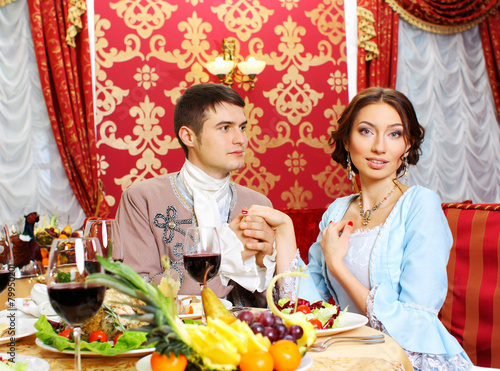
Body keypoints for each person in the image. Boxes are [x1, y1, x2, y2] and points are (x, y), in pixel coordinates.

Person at [246, 87, 471, 370]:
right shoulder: (337, 211)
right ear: (348, 141)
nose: (379, 146)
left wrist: (337, 264)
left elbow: (415, 321)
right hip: (349, 354)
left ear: (408, 145)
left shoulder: (421, 205)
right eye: (366, 131)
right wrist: (284, 231)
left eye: (394, 134)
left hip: (410, 358)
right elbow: (310, 306)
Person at [115, 83, 277, 308]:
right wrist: (229, 253)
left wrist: (264, 262)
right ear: (188, 136)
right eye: (225, 128)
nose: (240, 139)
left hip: (248, 339)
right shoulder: (142, 199)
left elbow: (277, 307)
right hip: (173, 340)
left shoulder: (259, 204)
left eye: (242, 127)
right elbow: (135, 294)